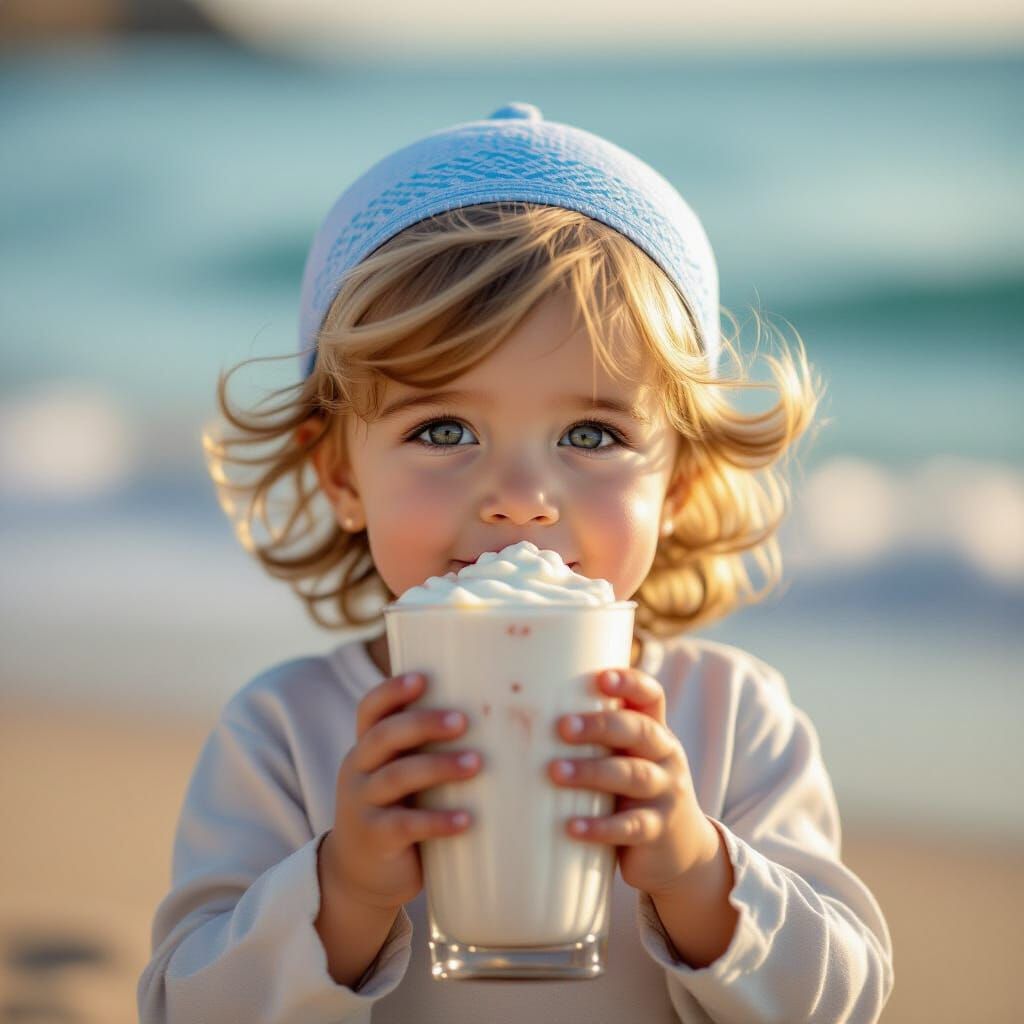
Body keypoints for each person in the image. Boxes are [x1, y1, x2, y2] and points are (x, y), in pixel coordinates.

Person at [138, 102, 894, 1022]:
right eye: (443, 428)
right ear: (341, 472)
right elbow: (186, 1007)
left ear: (681, 483)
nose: (521, 496)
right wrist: (342, 893)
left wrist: (699, 874)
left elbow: (844, 1001)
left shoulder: (733, 722)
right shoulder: (284, 735)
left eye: (592, 432)